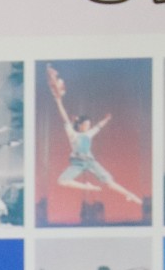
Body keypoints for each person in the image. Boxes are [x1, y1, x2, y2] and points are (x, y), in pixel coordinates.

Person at [46, 64, 143, 206]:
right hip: (78, 163)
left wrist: (106, 119)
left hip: (90, 162)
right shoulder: (72, 133)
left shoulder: (89, 134)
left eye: (89, 125)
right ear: (80, 125)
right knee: (62, 181)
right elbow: (65, 117)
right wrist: (58, 101)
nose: (88, 127)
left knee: (109, 182)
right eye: (86, 124)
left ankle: (130, 195)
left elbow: (98, 127)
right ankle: (87, 187)